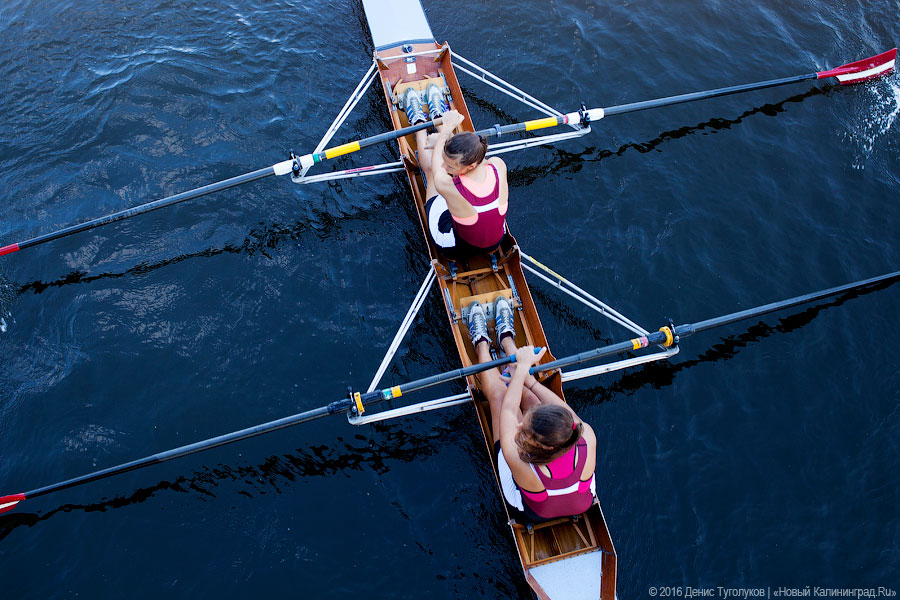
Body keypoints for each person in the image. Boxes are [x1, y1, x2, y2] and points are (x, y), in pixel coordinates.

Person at [465, 296, 597, 522]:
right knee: (532, 399)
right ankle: (507, 339)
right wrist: (528, 379)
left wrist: (523, 368)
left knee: (499, 396)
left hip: (531, 509)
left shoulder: (518, 458)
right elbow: (559, 408)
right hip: (578, 502)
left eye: (524, 426)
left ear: (536, 444)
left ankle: (481, 344)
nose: (522, 421)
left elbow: (507, 410)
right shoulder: (586, 435)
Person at [403, 85, 509, 258]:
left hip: (454, 250)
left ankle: (419, 124)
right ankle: (438, 115)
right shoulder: (498, 164)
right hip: (494, 244)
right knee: (451, 158)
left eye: (450, 167)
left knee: (430, 171)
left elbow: (436, 168)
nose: (446, 168)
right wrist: (444, 140)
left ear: (471, 166)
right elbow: (476, 158)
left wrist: (444, 132)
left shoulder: (446, 185)